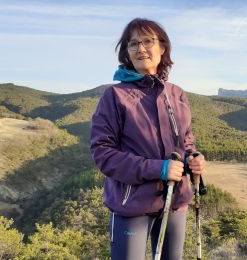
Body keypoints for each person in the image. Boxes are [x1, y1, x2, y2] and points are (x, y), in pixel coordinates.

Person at [90, 18, 206, 260]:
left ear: (162, 48)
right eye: (133, 44)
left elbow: (186, 141)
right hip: (131, 204)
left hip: (175, 201)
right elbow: (103, 153)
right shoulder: (115, 96)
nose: (140, 48)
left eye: (147, 41)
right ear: (127, 53)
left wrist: (192, 159)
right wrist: (158, 168)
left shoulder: (176, 93)